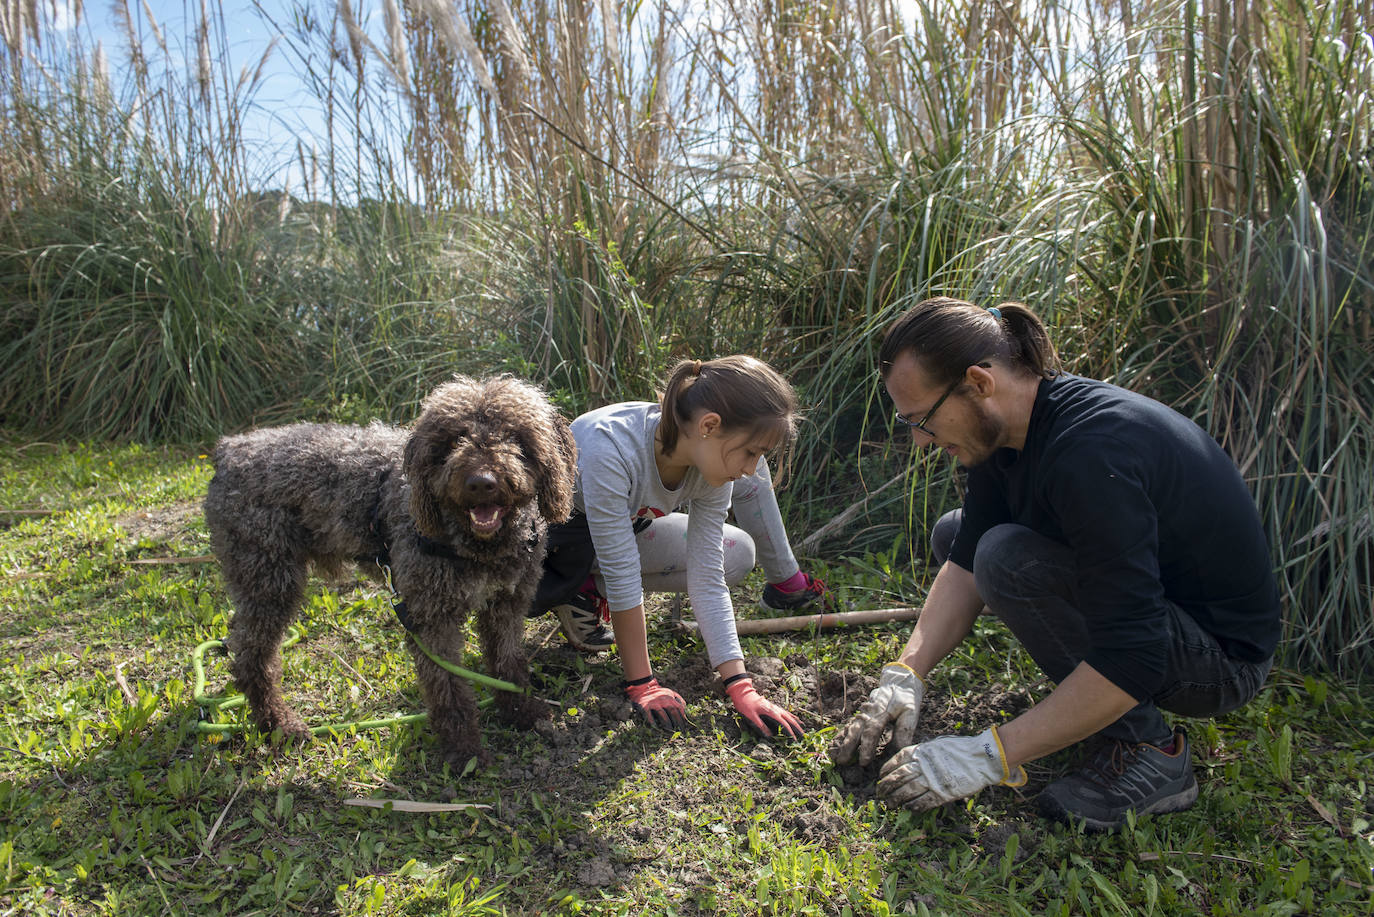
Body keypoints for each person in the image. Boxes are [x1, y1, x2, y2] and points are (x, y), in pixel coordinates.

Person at [830, 297, 1280, 831]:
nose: (920, 440)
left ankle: (1151, 751)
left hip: (1218, 659)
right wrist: (906, 673)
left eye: (922, 419)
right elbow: (966, 559)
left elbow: (1133, 656)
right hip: (1159, 617)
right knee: (961, 535)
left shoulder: (1091, 453)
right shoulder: (1009, 431)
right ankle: (1093, 707)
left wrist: (987, 754)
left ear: (979, 382)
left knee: (1008, 559)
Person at [534, 355, 831, 738]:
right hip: (554, 541)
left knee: (736, 552)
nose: (749, 468)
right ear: (709, 425)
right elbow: (623, 572)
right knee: (539, 586)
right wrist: (642, 684)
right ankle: (573, 588)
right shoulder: (610, 449)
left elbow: (708, 575)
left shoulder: (711, 466)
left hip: (623, 531)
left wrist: (741, 686)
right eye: (750, 452)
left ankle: (584, 589)